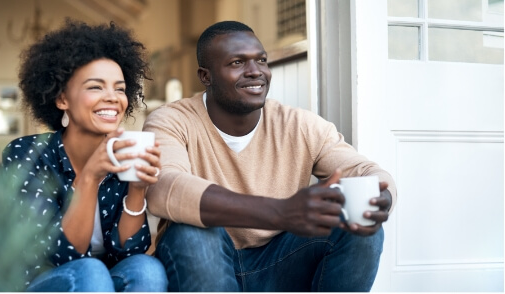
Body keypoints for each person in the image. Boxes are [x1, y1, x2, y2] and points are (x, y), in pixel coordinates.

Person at [142, 20, 397, 292]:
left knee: (358, 228)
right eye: (237, 63)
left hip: (279, 262)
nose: (255, 72)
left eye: (261, 60)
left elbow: (364, 170)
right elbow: (163, 187)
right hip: (203, 261)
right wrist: (281, 212)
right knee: (191, 233)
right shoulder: (171, 120)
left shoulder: (299, 124)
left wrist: (381, 197)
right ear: (206, 76)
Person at [1, 19, 167, 292]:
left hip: (102, 278)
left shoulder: (123, 153)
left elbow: (128, 253)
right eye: (95, 86)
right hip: (45, 280)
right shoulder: (27, 155)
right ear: (61, 99)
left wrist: (137, 189)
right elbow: (60, 256)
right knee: (90, 271)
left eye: (120, 88)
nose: (113, 97)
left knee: (147, 269)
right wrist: (90, 176)